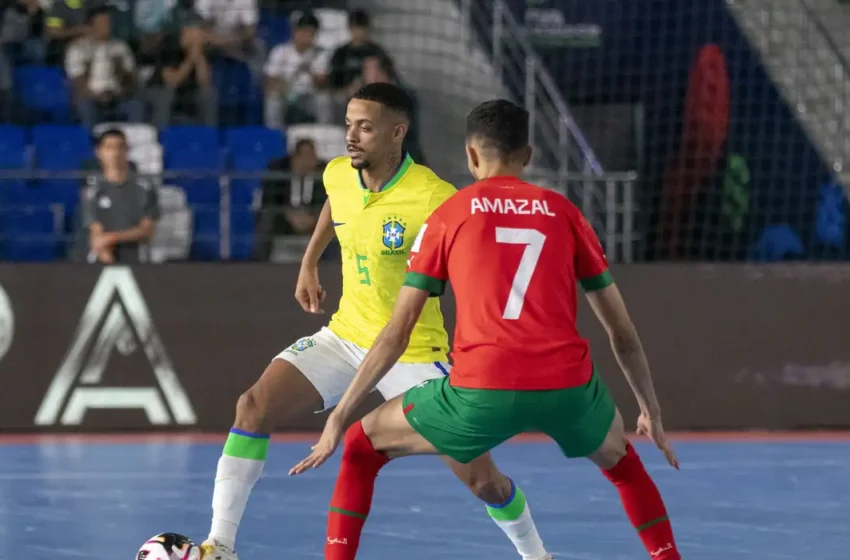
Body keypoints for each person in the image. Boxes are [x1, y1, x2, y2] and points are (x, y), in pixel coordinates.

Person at [291, 99, 683, 560]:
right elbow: (623, 333)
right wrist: (649, 410)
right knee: (624, 467)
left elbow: (397, 333)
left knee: (360, 448)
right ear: (529, 155)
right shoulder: (563, 212)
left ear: (471, 156)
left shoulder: (449, 215)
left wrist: (340, 416)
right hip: (568, 388)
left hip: (481, 390)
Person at [199, 85, 550, 560]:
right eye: (348, 125)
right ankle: (219, 545)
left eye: (365, 127)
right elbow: (335, 203)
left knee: (482, 479)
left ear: (397, 133)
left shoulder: (433, 196)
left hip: (414, 352)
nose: (351, 137)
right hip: (346, 336)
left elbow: (480, 264)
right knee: (252, 406)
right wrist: (310, 260)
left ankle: (536, 554)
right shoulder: (339, 173)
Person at [80, 128, 159, 263]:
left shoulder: (145, 188)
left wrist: (112, 237)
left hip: (139, 260)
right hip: (103, 259)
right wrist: (110, 263)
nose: (115, 153)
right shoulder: (92, 191)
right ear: (99, 152)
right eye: (109, 148)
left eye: (120, 147)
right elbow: (96, 235)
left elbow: (146, 231)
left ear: (127, 151)